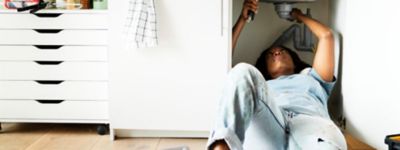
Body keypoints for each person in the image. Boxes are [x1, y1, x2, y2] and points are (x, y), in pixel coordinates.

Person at [207, 0, 347, 150]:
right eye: (270, 54)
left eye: (282, 51)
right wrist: (242, 19)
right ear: (264, 68)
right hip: (268, 124)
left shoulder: (312, 78)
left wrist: (298, 15)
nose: (277, 52)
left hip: (311, 125)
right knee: (241, 70)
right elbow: (225, 65)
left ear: (295, 61)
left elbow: (326, 36)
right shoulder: (260, 87)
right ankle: (222, 146)